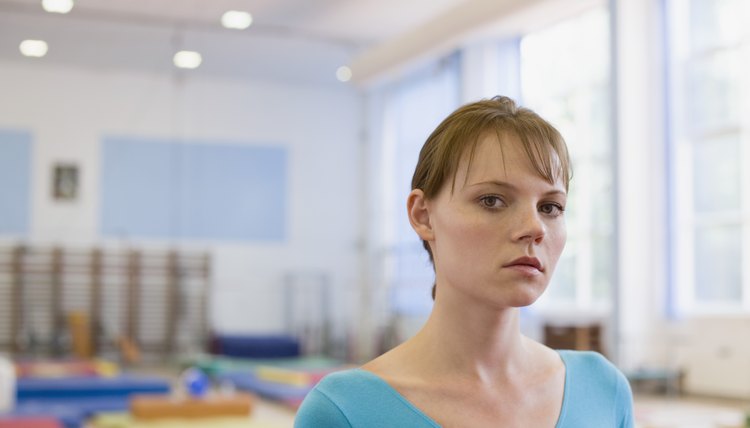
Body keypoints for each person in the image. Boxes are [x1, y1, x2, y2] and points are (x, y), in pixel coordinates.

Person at [295, 96, 634, 427]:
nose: (534, 228)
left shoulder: (603, 389)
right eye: (492, 200)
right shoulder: (346, 412)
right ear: (423, 215)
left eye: (550, 207)